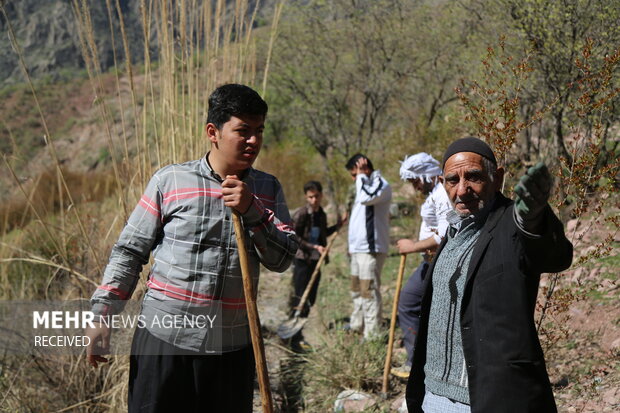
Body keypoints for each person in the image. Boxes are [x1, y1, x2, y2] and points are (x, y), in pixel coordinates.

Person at [85, 84, 298, 413]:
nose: (254, 141)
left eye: (259, 131)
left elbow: (283, 258)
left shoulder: (267, 188)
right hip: (164, 345)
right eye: (243, 131)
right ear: (213, 132)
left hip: (232, 349)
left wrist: (253, 212)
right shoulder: (170, 181)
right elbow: (129, 252)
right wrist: (103, 314)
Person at [406, 137, 573, 413]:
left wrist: (534, 219)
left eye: (473, 177)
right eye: (452, 180)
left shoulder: (511, 224)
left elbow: (555, 255)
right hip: (432, 396)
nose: (462, 190)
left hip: (487, 400)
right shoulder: (454, 229)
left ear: (497, 178)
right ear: (442, 183)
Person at [392, 153, 452, 379]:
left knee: (411, 304)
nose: (415, 187)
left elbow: (445, 234)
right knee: (413, 304)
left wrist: (413, 245)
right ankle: (420, 362)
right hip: (429, 262)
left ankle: (419, 365)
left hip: (437, 263)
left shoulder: (443, 194)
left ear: (426, 175)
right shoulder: (435, 194)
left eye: (415, 180)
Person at [345, 154, 392, 340]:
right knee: (357, 289)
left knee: (369, 291)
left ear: (364, 169)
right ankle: (357, 325)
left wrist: (362, 175)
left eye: (353, 174)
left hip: (370, 249)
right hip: (358, 249)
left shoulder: (380, 184)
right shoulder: (361, 184)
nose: (353, 179)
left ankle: (372, 335)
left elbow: (366, 198)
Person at [289, 180, 340, 349]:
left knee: (311, 298)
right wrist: (314, 247)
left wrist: (339, 225)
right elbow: (294, 237)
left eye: (316, 196)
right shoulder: (301, 214)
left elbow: (324, 232)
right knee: (299, 297)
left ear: (321, 195)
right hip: (303, 259)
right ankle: (294, 336)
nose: (313, 200)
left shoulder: (321, 214)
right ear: (306, 197)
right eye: (310, 197)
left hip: (316, 260)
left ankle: (299, 331)